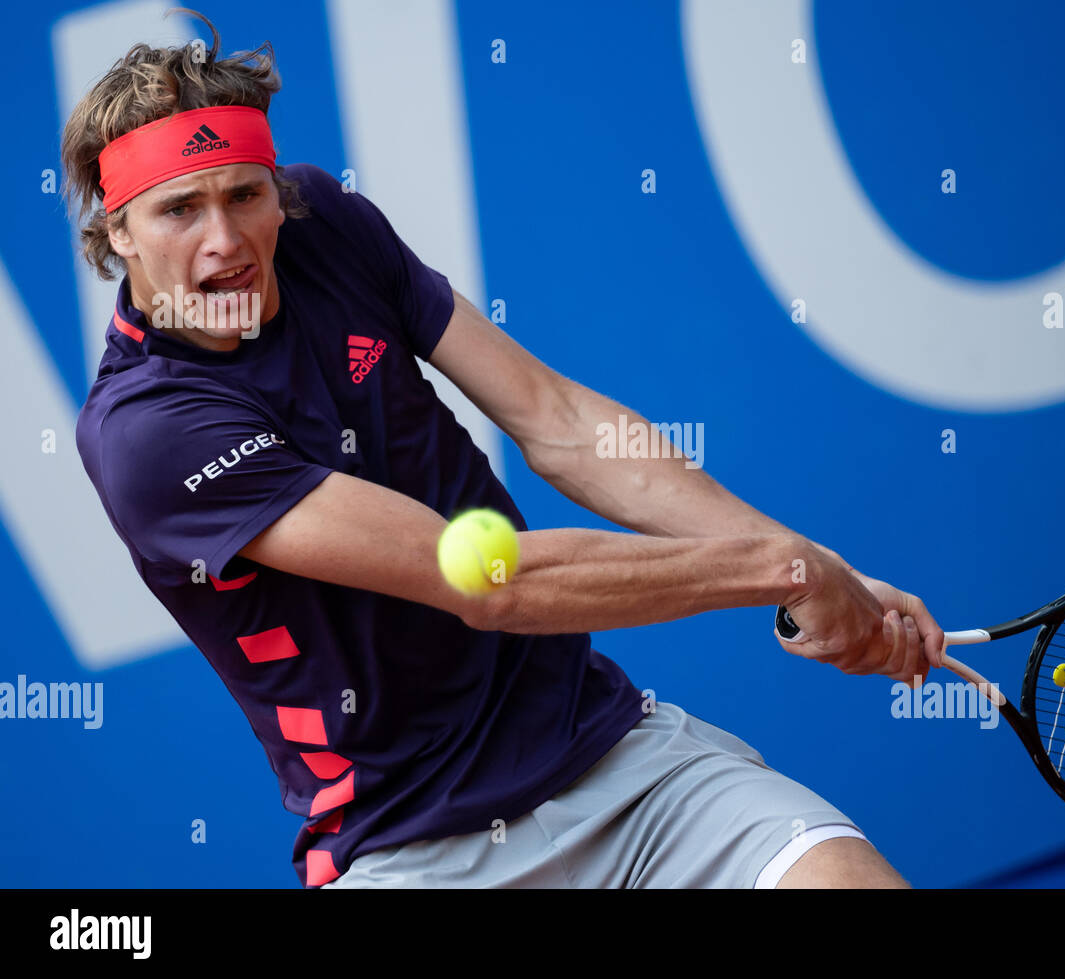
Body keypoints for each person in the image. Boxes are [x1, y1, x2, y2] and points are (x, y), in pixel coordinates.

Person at [66, 14, 945, 889]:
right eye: (180, 209)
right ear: (118, 231)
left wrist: (824, 566)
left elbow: (560, 421)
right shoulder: (147, 432)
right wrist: (785, 571)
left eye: (244, 195)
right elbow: (491, 581)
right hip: (412, 847)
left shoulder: (321, 223)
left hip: (615, 758)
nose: (227, 243)